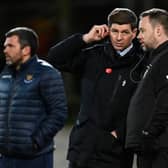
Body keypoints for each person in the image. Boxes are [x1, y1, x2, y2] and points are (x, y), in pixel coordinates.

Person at [47, 8, 144, 168]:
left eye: (125, 32)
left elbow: (143, 108)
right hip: (81, 149)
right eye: (114, 31)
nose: (119, 37)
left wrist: (119, 134)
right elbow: (54, 58)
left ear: (134, 33)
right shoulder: (94, 56)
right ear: (108, 30)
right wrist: (85, 39)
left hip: (114, 154)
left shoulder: (140, 65)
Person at [0, 27, 68, 168]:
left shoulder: (46, 73)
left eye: (10, 46)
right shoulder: (5, 73)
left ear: (26, 50)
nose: (5, 50)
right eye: (5, 46)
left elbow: (59, 113)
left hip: (34, 159)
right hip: (6, 158)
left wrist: (35, 142)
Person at [126, 8, 168, 168]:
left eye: (142, 30)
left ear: (158, 30)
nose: (138, 36)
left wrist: (148, 133)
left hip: (160, 147)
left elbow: (165, 100)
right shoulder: (156, 57)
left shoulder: (166, 58)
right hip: (151, 147)